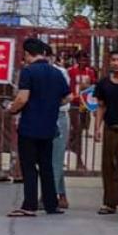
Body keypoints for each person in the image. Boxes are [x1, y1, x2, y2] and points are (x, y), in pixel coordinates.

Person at [5, 38, 70, 217]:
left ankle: (29, 205)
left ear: (27, 54)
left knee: (29, 167)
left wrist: (12, 109)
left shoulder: (28, 72)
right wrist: (50, 104)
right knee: (46, 166)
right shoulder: (56, 73)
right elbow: (67, 97)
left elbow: (22, 98)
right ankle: (51, 204)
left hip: (30, 126)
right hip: (49, 126)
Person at [93, 49, 118, 215]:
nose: (116, 63)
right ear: (110, 62)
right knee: (109, 166)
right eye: (114, 60)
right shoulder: (103, 83)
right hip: (110, 128)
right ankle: (110, 202)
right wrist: (97, 127)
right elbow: (101, 106)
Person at [47, 45, 71, 209]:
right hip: (44, 116)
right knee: (52, 157)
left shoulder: (60, 73)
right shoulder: (32, 71)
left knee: (55, 158)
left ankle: (50, 195)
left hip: (58, 115)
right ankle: (61, 194)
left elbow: (66, 97)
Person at [67, 51, 97, 170]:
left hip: (85, 104)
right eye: (81, 59)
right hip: (74, 103)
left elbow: (94, 87)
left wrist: (94, 105)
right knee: (78, 130)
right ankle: (79, 158)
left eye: (85, 60)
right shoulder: (71, 71)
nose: (83, 62)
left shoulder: (90, 72)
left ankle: (70, 144)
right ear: (77, 60)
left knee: (80, 130)